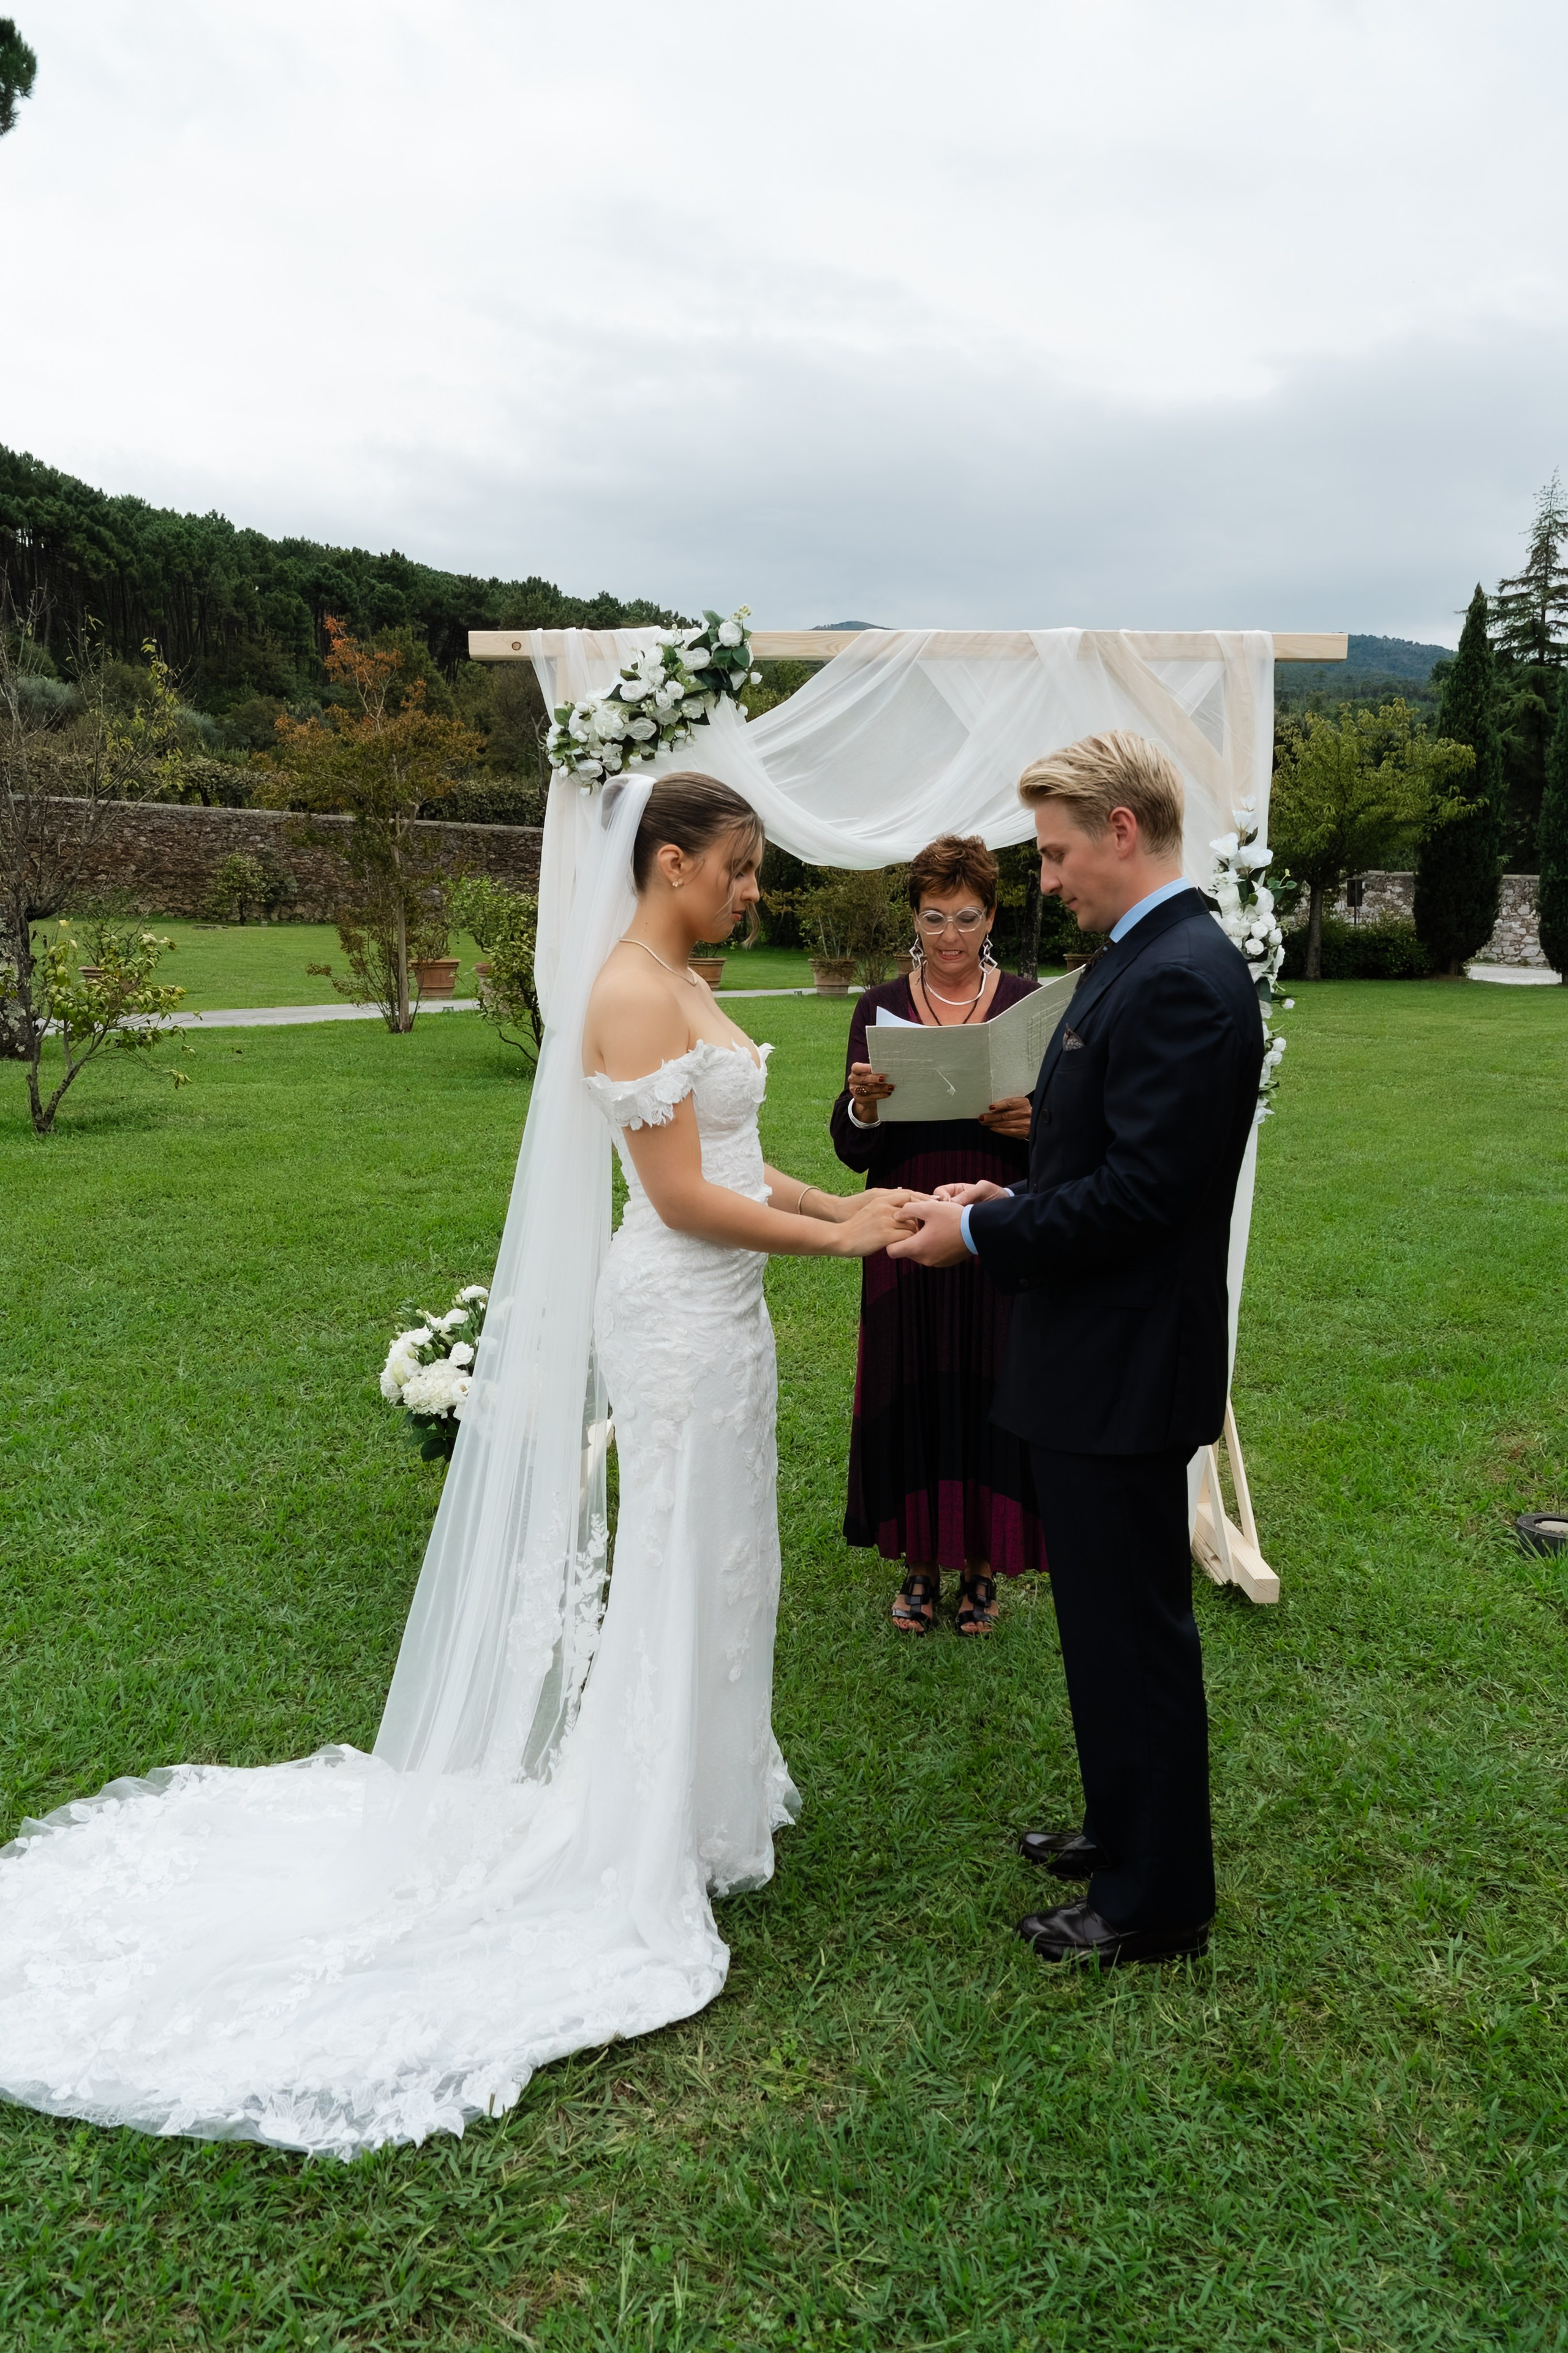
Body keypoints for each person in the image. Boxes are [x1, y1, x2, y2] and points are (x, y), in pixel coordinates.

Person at [0, 771, 911, 2156]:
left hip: (723, 1314)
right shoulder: (626, 989)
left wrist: (844, 1198)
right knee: (675, 1545)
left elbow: (734, 1153)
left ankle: (710, 1790)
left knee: (724, 1544)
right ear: (668, 862)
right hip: (675, 1306)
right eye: (736, 871)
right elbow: (673, 1197)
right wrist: (840, 1244)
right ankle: (641, 1820)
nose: (751, 894)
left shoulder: (687, 976)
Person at [889, 732, 1264, 1968]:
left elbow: (1143, 1197)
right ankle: (1120, 1831)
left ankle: (1155, 1902)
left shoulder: (1180, 973)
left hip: (1123, 1362)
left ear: (1118, 828)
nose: (1041, 879)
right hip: (1088, 1353)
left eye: (1052, 853)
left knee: (1134, 1635)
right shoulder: (1140, 956)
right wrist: (1010, 1172)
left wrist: (981, 1231)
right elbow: (1098, 1151)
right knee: (1100, 1630)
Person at [830, 834, 1046, 1636]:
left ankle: (983, 1568)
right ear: (914, 919)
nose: (949, 935)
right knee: (913, 1382)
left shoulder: (1027, 1002)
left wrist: (1037, 1121)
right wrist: (866, 1105)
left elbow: (1076, 1138)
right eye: (932, 917)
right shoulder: (877, 1006)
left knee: (993, 1386)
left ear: (990, 915)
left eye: (965, 917)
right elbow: (852, 1143)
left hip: (998, 1220)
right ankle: (919, 1563)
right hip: (906, 1220)